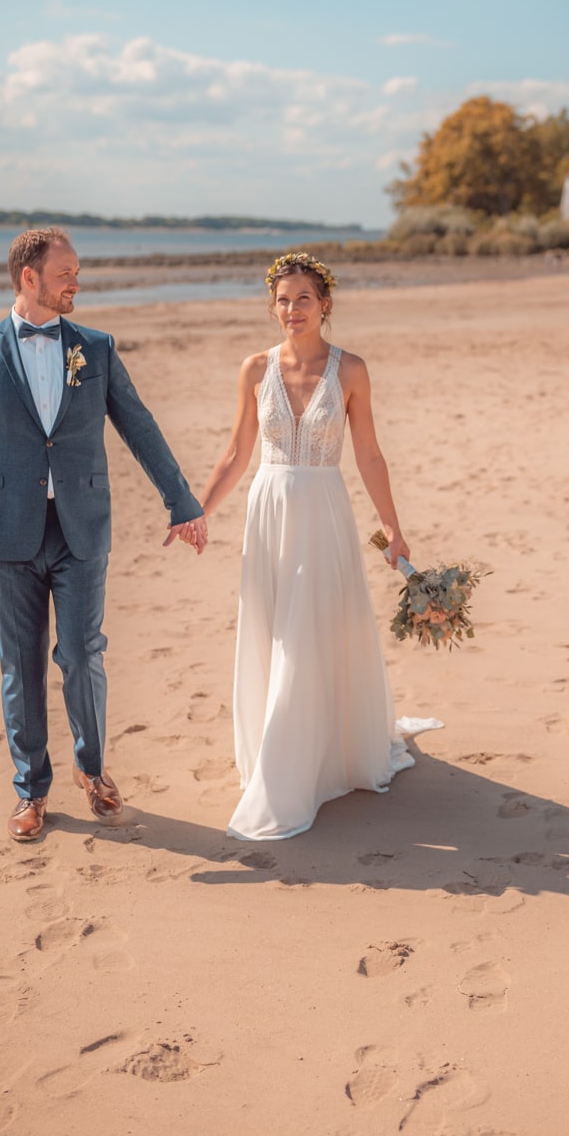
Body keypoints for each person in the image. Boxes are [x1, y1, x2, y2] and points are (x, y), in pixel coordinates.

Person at [0, 227, 207, 843]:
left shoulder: (96, 348)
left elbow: (140, 426)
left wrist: (181, 503)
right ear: (29, 278)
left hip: (82, 529)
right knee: (20, 668)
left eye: (76, 271)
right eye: (65, 272)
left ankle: (92, 768)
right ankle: (31, 791)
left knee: (82, 656)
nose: (75, 281)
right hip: (8, 535)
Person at [195, 251, 416, 840]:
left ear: (325, 305)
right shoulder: (253, 369)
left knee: (312, 632)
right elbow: (236, 453)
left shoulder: (351, 371)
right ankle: (279, 753)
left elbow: (368, 454)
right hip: (267, 515)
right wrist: (197, 511)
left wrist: (393, 528)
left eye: (303, 299)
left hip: (323, 513)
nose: (291, 310)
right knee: (276, 631)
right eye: (283, 299)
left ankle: (299, 770)